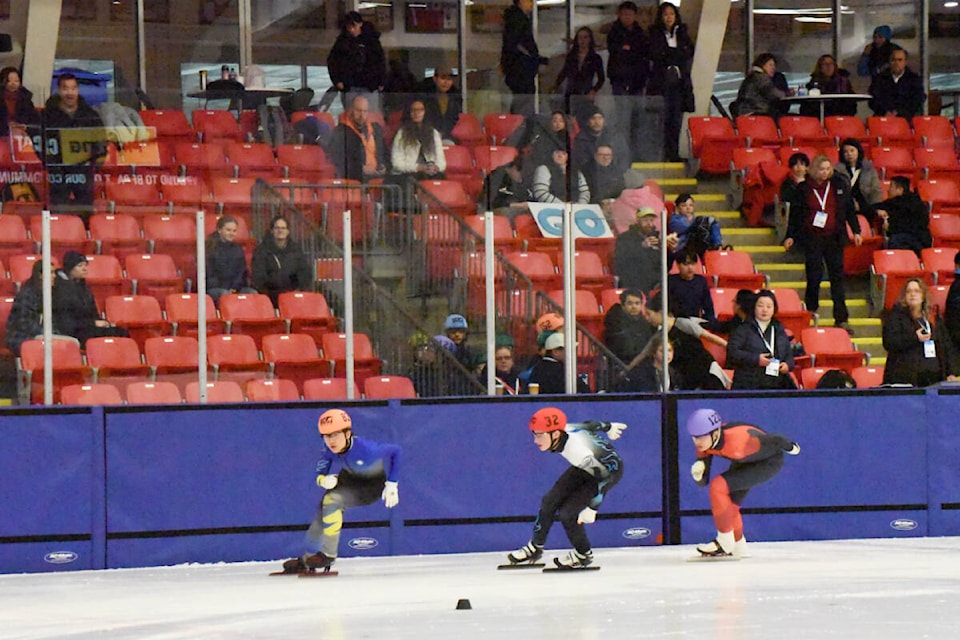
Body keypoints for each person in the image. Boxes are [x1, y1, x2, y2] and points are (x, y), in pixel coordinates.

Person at [281, 409, 400, 573]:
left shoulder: (367, 450)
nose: (331, 441)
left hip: (371, 486)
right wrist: (322, 480)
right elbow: (320, 470)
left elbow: (396, 451)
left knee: (332, 501)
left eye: (335, 435)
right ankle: (307, 559)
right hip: (348, 479)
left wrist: (392, 483)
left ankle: (328, 554)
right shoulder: (328, 448)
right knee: (321, 515)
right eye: (326, 435)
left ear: (348, 433)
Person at [505, 407, 625, 569]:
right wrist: (609, 426)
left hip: (605, 473)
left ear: (555, 434)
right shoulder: (566, 429)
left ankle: (583, 554)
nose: (535, 440)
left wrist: (593, 507)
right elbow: (588, 425)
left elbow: (604, 477)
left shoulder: (577, 451)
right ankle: (535, 547)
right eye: (534, 434)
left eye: (540, 435)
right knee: (549, 501)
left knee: (568, 514)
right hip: (587, 467)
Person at [686, 408, 800, 558]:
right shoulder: (705, 444)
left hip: (768, 462)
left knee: (718, 486)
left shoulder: (739, 442)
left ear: (715, 434)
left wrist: (792, 447)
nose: (697, 442)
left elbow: (776, 439)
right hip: (744, 461)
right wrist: (699, 474)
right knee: (729, 505)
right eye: (694, 437)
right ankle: (738, 545)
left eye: (701, 437)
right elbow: (703, 482)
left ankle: (724, 541)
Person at [783, 154, 862, 334]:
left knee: (837, 279)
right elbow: (795, 215)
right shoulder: (803, 188)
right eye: (821, 169)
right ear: (813, 170)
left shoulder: (838, 185)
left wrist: (856, 231)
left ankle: (841, 319)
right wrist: (790, 236)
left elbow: (849, 209)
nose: (825, 173)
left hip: (834, 237)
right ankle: (810, 313)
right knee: (814, 276)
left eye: (828, 169)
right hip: (813, 238)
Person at [624, 291, 729, 391]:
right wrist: (626, 370)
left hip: (706, 370)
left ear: (660, 313)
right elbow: (643, 354)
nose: (647, 318)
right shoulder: (660, 336)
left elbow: (709, 336)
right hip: (688, 376)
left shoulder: (682, 323)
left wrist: (727, 346)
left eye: (649, 314)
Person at [42, 73, 106, 220]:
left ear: (78, 90)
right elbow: (41, 142)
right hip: (59, 173)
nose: (69, 93)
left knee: (85, 216)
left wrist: (96, 163)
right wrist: (49, 164)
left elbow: (100, 141)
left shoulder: (90, 115)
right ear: (58, 90)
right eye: (65, 88)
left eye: (73, 88)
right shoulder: (48, 115)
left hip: (83, 172)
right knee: (59, 217)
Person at [881, 278, 955, 387]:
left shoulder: (933, 318)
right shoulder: (896, 316)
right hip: (906, 379)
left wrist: (951, 372)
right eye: (909, 291)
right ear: (904, 296)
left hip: (934, 378)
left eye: (917, 291)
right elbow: (889, 342)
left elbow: (946, 346)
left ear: (923, 295)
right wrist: (914, 337)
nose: (912, 294)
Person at [646, 1, 695, 162]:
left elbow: (688, 52)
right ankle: (660, 154)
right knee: (662, 120)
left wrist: (671, 53)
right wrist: (674, 53)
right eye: (665, 14)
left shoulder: (682, 32)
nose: (669, 17)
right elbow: (656, 54)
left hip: (679, 83)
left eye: (672, 14)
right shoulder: (655, 33)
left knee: (676, 120)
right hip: (661, 83)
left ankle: (673, 154)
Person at [52, 251, 128, 346]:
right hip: (73, 330)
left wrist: (101, 322)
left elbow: (93, 311)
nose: (85, 269)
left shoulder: (83, 286)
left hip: (88, 326)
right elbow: (65, 321)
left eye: (85, 265)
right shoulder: (59, 289)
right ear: (70, 268)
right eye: (80, 266)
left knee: (121, 332)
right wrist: (92, 323)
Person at [605, 1, 649, 162]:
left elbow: (642, 55)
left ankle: (636, 154)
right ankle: (622, 154)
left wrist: (630, 50)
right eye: (624, 14)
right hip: (620, 81)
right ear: (619, 15)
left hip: (637, 82)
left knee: (637, 119)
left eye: (630, 14)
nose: (627, 17)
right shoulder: (614, 33)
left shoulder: (641, 34)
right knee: (622, 118)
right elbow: (617, 54)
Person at [726, 289, 796, 390]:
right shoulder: (743, 329)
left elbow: (789, 355)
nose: (764, 310)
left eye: (769, 307)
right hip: (749, 382)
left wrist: (787, 365)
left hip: (775, 382)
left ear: (774, 309)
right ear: (754, 308)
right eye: (760, 306)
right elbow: (732, 352)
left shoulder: (779, 329)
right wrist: (756, 359)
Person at [327, 11, 386, 111]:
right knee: (351, 113)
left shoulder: (372, 40)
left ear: (360, 24)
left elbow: (380, 61)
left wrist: (381, 81)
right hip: (350, 85)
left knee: (370, 114)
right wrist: (337, 80)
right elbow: (333, 61)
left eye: (353, 26)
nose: (351, 29)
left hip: (369, 84)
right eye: (348, 27)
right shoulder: (342, 41)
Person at [250, 215, 313, 306]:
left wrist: (299, 289)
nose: (280, 231)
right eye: (277, 228)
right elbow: (259, 277)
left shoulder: (296, 250)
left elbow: (304, 272)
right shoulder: (261, 251)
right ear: (272, 231)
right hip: (271, 294)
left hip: (293, 293)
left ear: (288, 231)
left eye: (283, 228)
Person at [614, 206, 678, 294]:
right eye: (645, 220)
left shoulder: (657, 239)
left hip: (656, 283)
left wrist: (671, 250)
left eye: (651, 220)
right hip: (633, 281)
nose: (649, 224)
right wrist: (641, 247)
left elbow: (665, 267)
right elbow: (621, 262)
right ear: (637, 221)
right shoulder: (624, 238)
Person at [500, 0, 548, 117]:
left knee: (522, 102)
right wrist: (533, 59)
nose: (532, 4)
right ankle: (520, 127)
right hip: (521, 69)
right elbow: (515, 44)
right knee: (523, 104)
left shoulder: (516, 18)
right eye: (529, 0)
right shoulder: (517, 19)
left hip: (520, 68)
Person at [325, 94, 387, 183]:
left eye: (365, 111)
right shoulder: (341, 132)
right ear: (350, 110)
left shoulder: (376, 130)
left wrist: (384, 166)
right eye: (358, 111)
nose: (362, 116)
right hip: (355, 179)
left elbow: (385, 153)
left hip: (379, 177)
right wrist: (360, 169)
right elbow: (338, 160)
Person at [552, 26, 605, 124]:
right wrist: (555, 86)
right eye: (580, 38)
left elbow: (601, 78)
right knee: (569, 120)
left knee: (584, 120)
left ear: (590, 39)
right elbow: (564, 72)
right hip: (571, 92)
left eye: (586, 37)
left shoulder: (595, 58)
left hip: (586, 93)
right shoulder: (571, 56)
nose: (583, 41)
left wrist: (594, 90)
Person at [388, 99, 445, 184]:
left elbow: (442, 161)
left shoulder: (433, 133)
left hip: (429, 173)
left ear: (425, 112)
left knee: (440, 178)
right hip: (408, 173)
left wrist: (436, 167)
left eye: (420, 110)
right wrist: (418, 167)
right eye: (413, 110)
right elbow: (396, 163)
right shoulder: (401, 133)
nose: (416, 113)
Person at [206, 215, 256, 305]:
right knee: (225, 294)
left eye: (234, 231)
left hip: (235, 288)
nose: (231, 233)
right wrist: (226, 288)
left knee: (253, 293)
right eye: (228, 230)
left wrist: (234, 287)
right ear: (219, 230)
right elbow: (209, 275)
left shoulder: (238, 249)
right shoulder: (209, 248)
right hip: (215, 288)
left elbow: (241, 272)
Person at [875, 176, 931, 257]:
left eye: (891, 187)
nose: (888, 190)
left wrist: (890, 226)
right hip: (923, 241)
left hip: (905, 242)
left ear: (900, 190)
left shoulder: (893, 203)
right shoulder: (919, 202)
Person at [834, 138, 883, 224]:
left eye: (852, 150)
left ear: (858, 151)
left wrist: (877, 207)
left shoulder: (869, 169)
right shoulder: (837, 171)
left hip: (866, 206)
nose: (849, 154)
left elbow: (876, 191)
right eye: (846, 152)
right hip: (845, 207)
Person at [667, 248, 719, 330]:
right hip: (674, 322)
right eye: (686, 264)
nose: (690, 268)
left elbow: (708, 306)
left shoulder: (701, 281)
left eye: (693, 264)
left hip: (694, 323)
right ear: (678, 264)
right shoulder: (671, 281)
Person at [868, 46, 925, 119]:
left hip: (906, 120)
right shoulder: (879, 79)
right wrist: (885, 112)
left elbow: (917, 100)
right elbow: (873, 100)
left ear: (905, 62)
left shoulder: (914, 79)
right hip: (883, 119)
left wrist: (899, 112)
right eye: (893, 60)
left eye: (900, 60)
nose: (896, 63)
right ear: (889, 61)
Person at [571, 106, 630, 177]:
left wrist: (615, 173)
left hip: (616, 175)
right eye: (593, 118)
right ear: (587, 121)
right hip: (592, 177)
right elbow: (581, 162)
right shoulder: (581, 139)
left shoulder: (615, 136)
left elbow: (624, 157)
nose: (597, 122)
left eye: (600, 118)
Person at [526, 332, 590, 394]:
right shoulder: (561, 371)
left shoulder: (538, 368)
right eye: (568, 349)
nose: (572, 353)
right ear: (555, 352)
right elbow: (584, 390)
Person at [603, 288, 655, 364]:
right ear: (623, 306)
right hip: (622, 363)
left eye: (637, 303)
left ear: (641, 305)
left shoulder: (645, 324)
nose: (634, 307)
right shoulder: (614, 323)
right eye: (630, 303)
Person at [5, 261, 46, 356]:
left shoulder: (49, 295)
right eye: (51, 272)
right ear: (40, 275)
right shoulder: (26, 295)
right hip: (20, 337)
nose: (54, 276)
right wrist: (44, 333)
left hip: (39, 335)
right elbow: (23, 324)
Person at [417, 63, 462, 144]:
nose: (446, 82)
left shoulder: (455, 100)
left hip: (447, 138)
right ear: (435, 79)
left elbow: (454, 122)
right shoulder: (424, 97)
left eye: (449, 79)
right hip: (426, 138)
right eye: (443, 78)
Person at [668, 194, 724, 259]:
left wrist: (718, 243)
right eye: (684, 205)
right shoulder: (674, 221)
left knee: (711, 223)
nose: (688, 208)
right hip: (683, 247)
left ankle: (717, 248)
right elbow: (690, 227)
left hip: (700, 246)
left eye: (691, 205)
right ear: (677, 208)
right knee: (703, 225)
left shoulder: (697, 219)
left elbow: (712, 223)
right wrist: (703, 221)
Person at [733, 53, 786, 118]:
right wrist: (786, 94)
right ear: (762, 65)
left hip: (744, 113)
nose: (773, 68)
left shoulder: (752, 76)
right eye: (770, 65)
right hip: (755, 112)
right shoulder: (761, 77)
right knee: (786, 119)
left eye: (774, 65)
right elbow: (773, 94)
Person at [0, 66, 38, 136]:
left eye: (16, 81)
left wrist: (25, 126)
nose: (13, 83)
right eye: (9, 80)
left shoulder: (25, 98)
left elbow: (33, 119)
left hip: (21, 134)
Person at [779, 152, 809, 227]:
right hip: (794, 213)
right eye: (795, 164)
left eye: (802, 164)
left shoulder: (811, 181)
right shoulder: (787, 183)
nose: (799, 167)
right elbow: (787, 199)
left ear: (806, 167)